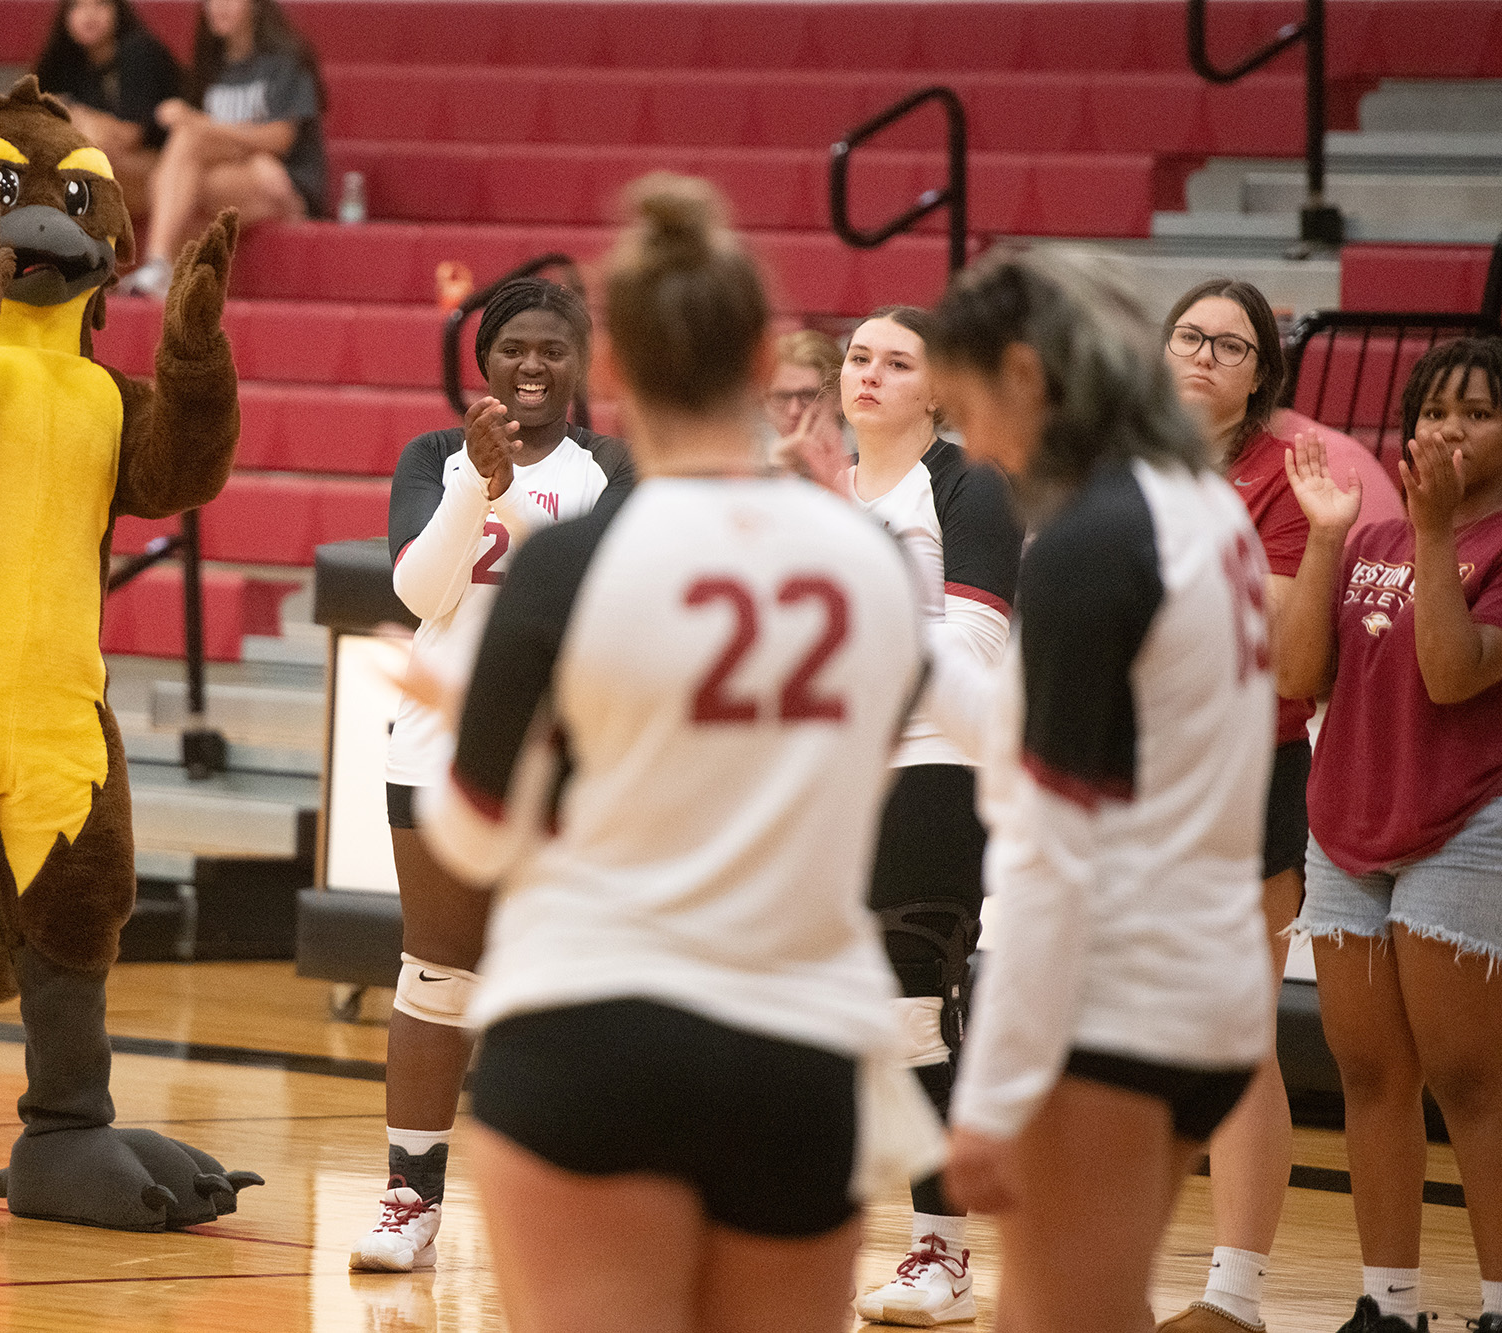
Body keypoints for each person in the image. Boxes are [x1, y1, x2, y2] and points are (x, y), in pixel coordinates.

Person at [421, 173, 934, 1333]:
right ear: (763, 360)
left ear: (614, 368)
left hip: (589, 1025)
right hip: (799, 1049)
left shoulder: (568, 563)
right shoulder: (872, 562)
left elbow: (470, 834)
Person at [932, 249, 1276, 1333]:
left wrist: (985, 1095)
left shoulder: (1092, 540)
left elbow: (1049, 845)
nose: (972, 446)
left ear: (1028, 375)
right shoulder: (1203, 512)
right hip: (1205, 995)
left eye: (970, 405)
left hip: (1116, 1007)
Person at [350, 276, 634, 1272]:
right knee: (435, 972)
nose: (530, 364)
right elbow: (422, 589)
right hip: (436, 749)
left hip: (564, 761)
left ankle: (570, 1203)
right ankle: (407, 1199)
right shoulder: (431, 458)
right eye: (512, 346)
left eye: (552, 348)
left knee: (568, 984)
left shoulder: (611, 469)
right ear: (483, 360)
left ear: (580, 362)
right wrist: (479, 481)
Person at [1274, 337, 1502, 1333]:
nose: (1446, 428)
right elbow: (1296, 673)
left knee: (1469, 1077)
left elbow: (1450, 673)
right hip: (1345, 823)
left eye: (1475, 411)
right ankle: (1387, 1306)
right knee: (1368, 1072)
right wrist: (1324, 537)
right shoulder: (1367, 541)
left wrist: (1435, 532)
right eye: (1430, 410)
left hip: (1463, 822)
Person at [842, 305, 1021, 1330]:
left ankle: (940, 1257)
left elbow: (973, 652)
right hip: (833, 778)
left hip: (934, 768)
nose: (869, 374)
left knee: (912, 1009)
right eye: (858, 357)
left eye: (895, 362)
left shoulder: (968, 486)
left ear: (937, 388)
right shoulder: (823, 489)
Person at [1154, 277, 1306, 1333]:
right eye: (1189, 336)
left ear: (1261, 375)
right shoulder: (1123, 462)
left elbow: (1287, 642)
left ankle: (1234, 1293)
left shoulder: (1280, 479)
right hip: (1132, 775)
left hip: (1245, 767)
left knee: (1234, 1030)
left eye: (1231, 345)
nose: (1203, 355)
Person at [123, 0, 326, 296]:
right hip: (236, 174)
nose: (217, 7)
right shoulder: (210, 65)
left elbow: (280, 138)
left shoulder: (285, 59)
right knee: (184, 166)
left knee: (179, 175)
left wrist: (205, 126)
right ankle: (159, 266)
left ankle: (160, 268)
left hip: (283, 181)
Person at [32, 0, 183, 210]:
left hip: (166, 166)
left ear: (118, 10)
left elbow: (129, 137)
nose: (89, 14)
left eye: (100, 4)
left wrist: (79, 117)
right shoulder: (65, 63)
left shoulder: (139, 51)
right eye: (78, 5)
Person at [764, 328, 848, 482]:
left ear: (839, 398)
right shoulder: (746, 471)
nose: (794, 410)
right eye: (782, 396)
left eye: (808, 396)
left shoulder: (863, 472)